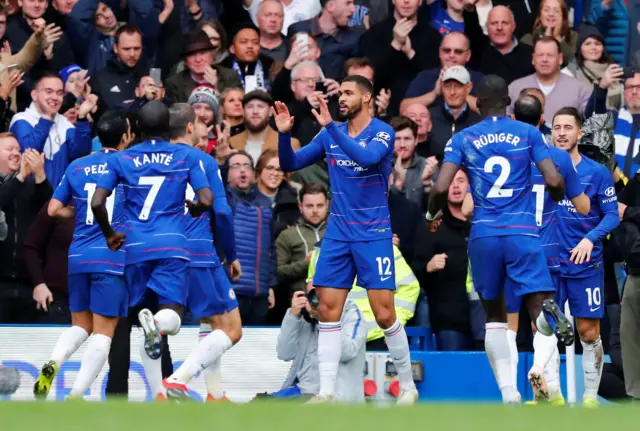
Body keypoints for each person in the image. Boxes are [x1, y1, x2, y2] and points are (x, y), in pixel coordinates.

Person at [426, 74, 572, 404]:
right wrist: (557, 194)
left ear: (476, 101)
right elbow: (553, 179)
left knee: (495, 316)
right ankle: (547, 325)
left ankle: (509, 394)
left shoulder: (464, 138)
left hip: (484, 234)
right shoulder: (528, 132)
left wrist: (431, 216)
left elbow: (439, 188)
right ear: (508, 102)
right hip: (522, 231)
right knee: (539, 305)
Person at [274, 74, 419, 404]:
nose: (341, 98)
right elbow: (290, 163)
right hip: (338, 234)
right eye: (340, 93)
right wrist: (284, 136)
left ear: (367, 98)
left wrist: (332, 128)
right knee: (327, 310)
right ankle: (326, 392)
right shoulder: (331, 133)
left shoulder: (383, 132)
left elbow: (365, 159)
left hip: (373, 234)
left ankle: (407, 384)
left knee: (384, 314)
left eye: (349, 93)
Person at [90, 101, 213, 401]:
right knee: (169, 317)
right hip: (172, 245)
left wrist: (109, 235)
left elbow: (96, 203)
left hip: (135, 248)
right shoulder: (185, 155)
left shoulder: (122, 158)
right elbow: (207, 199)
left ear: (139, 129)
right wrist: (196, 208)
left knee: (136, 318)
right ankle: (155, 324)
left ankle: (159, 392)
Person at [32, 110, 132, 399]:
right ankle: (76, 396)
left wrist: (78, 212)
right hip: (111, 257)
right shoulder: (128, 165)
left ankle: (54, 361)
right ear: (125, 137)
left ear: (99, 137)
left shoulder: (77, 165)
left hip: (78, 256)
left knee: (81, 325)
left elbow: (52, 210)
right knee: (103, 332)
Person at [505, 95, 590, 404]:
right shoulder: (559, 158)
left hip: (510, 246)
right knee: (545, 318)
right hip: (546, 249)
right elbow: (583, 207)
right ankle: (540, 368)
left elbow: (474, 206)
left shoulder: (503, 157)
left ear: (512, 119)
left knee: (508, 324)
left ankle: (510, 392)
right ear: (543, 120)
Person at [164, 103, 243, 400]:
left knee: (210, 322)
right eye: (200, 123)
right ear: (189, 127)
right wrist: (231, 254)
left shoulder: (149, 160)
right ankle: (177, 379)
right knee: (232, 328)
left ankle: (214, 393)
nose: (205, 128)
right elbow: (221, 212)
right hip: (197, 251)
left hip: (160, 250)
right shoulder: (202, 161)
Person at [553, 106, 620, 407]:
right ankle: (550, 392)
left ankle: (590, 399)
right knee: (544, 326)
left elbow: (611, 216)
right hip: (550, 262)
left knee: (587, 331)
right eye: (557, 127)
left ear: (580, 133)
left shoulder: (597, 172)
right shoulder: (539, 169)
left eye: (568, 127)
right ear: (550, 132)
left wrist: (588, 239)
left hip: (585, 263)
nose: (562, 133)